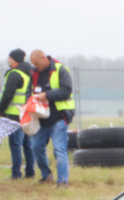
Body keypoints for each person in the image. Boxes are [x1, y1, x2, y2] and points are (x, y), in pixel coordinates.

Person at [28, 49, 75, 187]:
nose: (36, 67)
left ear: (44, 58)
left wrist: (47, 95)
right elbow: (28, 91)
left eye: (37, 63)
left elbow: (66, 90)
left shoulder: (60, 70)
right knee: (36, 147)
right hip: (41, 119)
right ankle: (46, 175)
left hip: (59, 117)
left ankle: (62, 181)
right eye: (34, 64)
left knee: (59, 148)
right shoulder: (34, 73)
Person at [0, 48, 35, 180]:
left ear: (15, 59)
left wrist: (0, 110)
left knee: (15, 144)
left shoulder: (14, 74)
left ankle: (16, 173)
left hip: (14, 115)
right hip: (26, 113)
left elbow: (7, 95)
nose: (8, 60)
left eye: (10, 57)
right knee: (27, 145)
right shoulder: (28, 73)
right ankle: (30, 172)